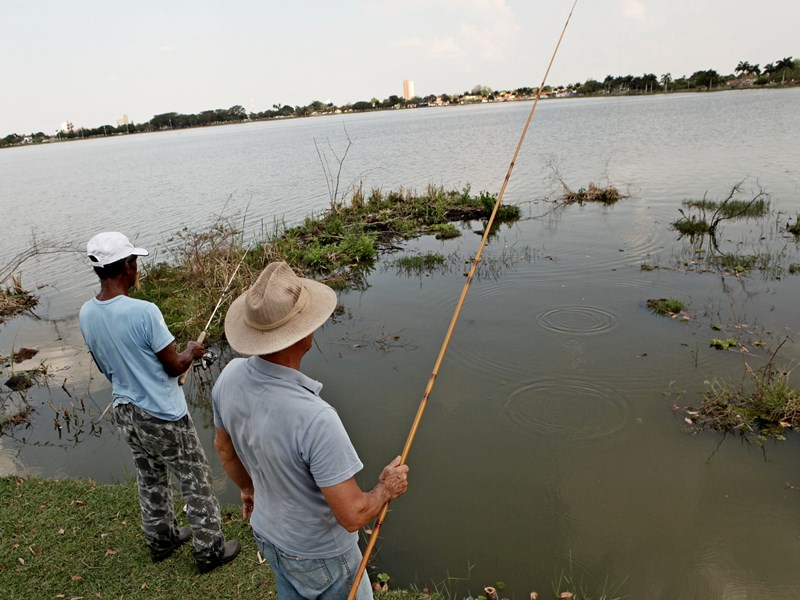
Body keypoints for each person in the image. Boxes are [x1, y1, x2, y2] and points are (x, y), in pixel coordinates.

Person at [212, 261, 409, 599]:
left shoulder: (229, 376)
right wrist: (386, 489)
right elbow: (352, 514)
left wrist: (250, 488)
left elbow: (224, 449)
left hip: (268, 535)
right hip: (321, 556)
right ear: (302, 333)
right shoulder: (316, 418)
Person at [78, 231, 240, 573]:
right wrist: (192, 351)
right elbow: (175, 365)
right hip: (164, 415)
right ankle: (209, 550)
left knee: (150, 476)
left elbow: (107, 369)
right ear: (125, 266)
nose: (137, 269)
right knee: (195, 478)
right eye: (135, 262)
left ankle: (161, 540)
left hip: (125, 412)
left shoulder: (86, 313)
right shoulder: (144, 312)